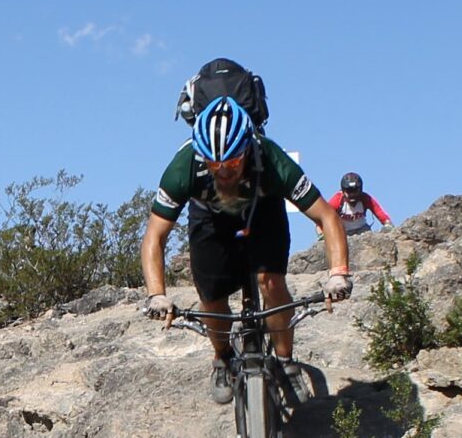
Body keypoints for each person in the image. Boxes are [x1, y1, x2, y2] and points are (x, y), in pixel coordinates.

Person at [138, 58, 352, 402]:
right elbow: (155, 236)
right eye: (214, 164)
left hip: (262, 209)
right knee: (212, 298)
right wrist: (156, 294)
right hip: (209, 218)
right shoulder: (183, 167)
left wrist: (338, 272)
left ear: (246, 151)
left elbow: (327, 217)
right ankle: (222, 358)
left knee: (271, 282)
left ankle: (285, 361)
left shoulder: (270, 158)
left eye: (233, 163)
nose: (224, 172)